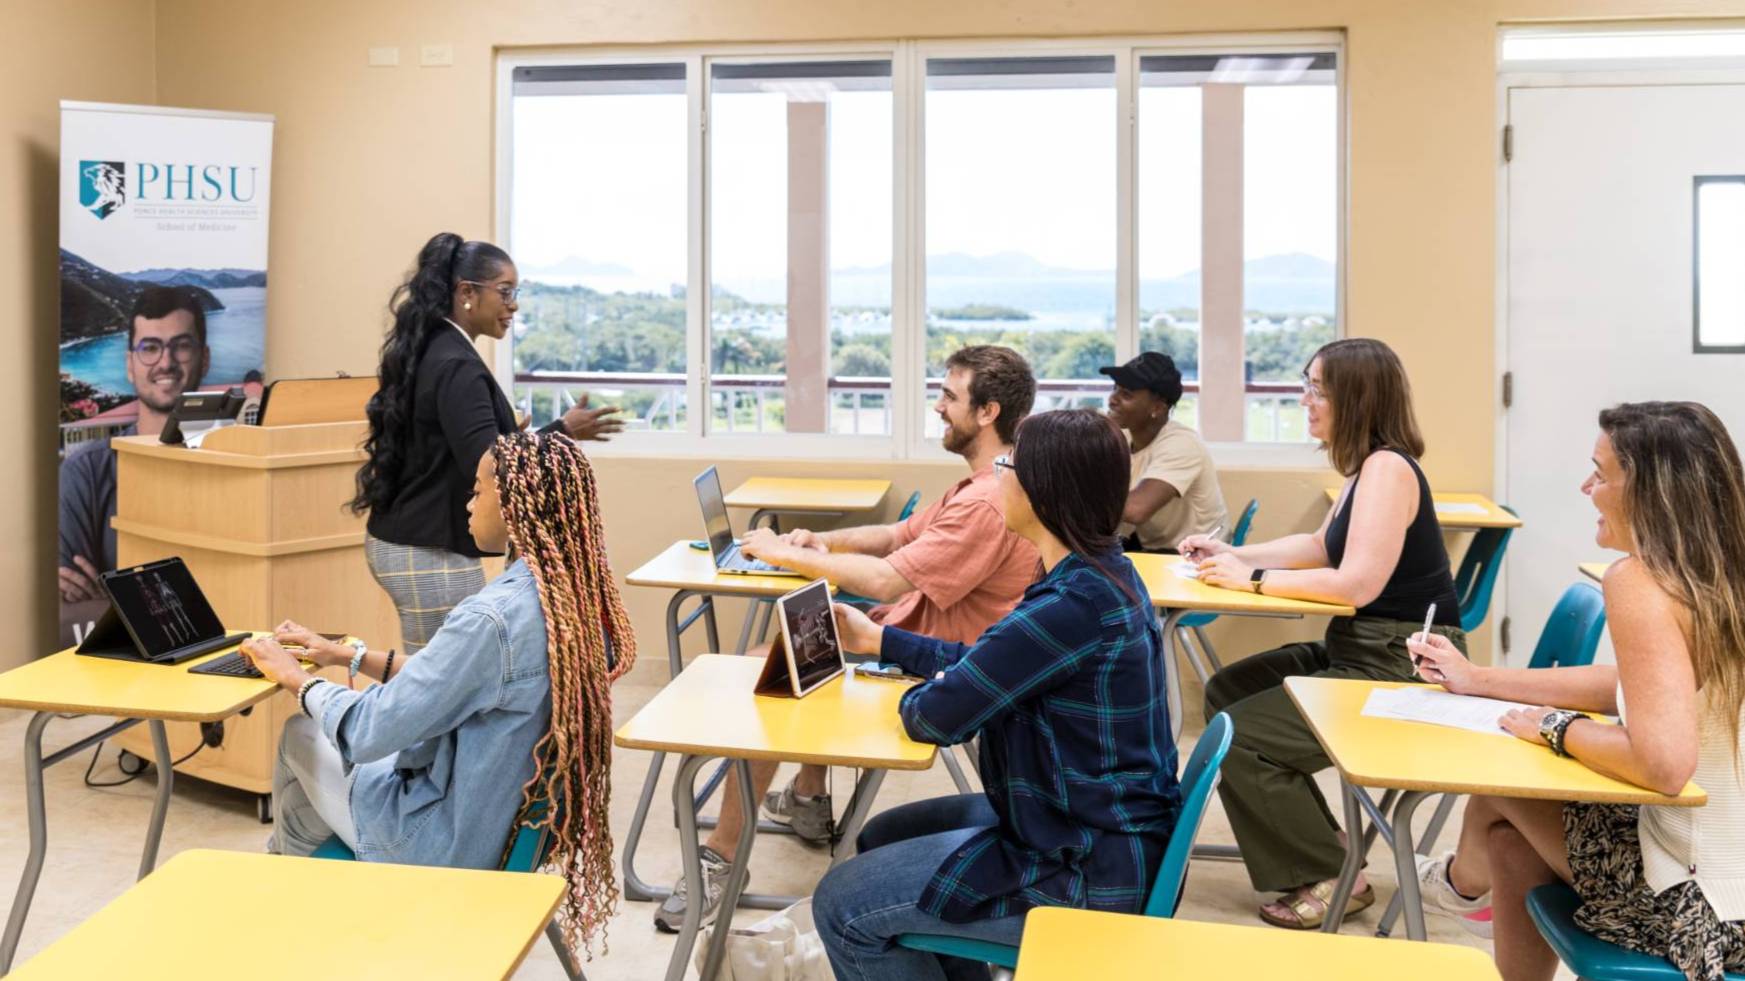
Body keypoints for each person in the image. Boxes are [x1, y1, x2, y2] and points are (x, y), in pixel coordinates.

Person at [652, 344, 1041, 932]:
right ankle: (808, 797)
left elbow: (889, 575)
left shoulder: (987, 502)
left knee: (770, 673)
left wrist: (787, 554)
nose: (938, 407)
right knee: (804, 643)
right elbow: (894, 534)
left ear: (987, 413)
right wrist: (823, 544)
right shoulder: (980, 484)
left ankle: (722, 859)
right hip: (902, 640)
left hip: (927, 666)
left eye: (948, 396)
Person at [812, 408, 1182, 981]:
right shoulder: (1097, 573)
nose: (998, 476)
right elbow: (997, 665)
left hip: (1084, 861)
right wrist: (883, 640)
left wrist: (932, 689)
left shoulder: (1071, 606)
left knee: (843, 903)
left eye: (1008, 465)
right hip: (1094, 822)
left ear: (1042, 490)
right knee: (885, 834)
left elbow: (933, 718)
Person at [242, 431, 635, 958]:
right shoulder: (576, 599)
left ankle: (295, 929)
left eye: (476, 490)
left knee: (299, 733)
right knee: (301, 815)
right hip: (514, 831)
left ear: (514, 501)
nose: (467, 503)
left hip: (446, 846)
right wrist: (343, 657)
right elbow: (455, 682)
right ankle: (307, 908)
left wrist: (297, 676)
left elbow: (368, 731)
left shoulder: (491, 619)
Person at [1408, 401, 1745, 981]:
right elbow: (1640, 686)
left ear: (1648, 490)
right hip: (1728, 886)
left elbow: (1664, 765)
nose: (1586, 486)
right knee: (1514, 843)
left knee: (1507, 771)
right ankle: (1459, 887)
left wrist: (1556, 728)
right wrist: (1479, 680)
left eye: (1601, 472)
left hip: (1703, 911)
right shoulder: (1719, 573)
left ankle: (1458, 888)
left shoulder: (1640, 580)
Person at [1180, 337, 1464, 929]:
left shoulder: (1388, 470)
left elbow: (1357, 584)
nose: (1305, 399)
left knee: (1248, 736)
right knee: (1229, 692)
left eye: (1317, 388)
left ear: (1355, 398)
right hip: (1363, 649)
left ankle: (1333, 872)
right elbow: (1317, 547)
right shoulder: (1369, 468)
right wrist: (1233, 551)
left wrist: (1252, 579)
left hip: (1398, 663)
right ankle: (1329, 845)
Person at [351, 232, 624, 652]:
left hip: (411, 540)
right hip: (428, 550)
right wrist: (562, 432)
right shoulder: (456, 363)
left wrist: (514, 432)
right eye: (505, 291)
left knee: (437, 678)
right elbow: (492, 465)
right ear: (466, 293)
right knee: (441, 686)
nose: (513, 304)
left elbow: (466, 446)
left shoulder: (436, 348)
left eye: (516, 292)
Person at [59, 286, 212, 606]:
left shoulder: (236, 467)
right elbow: (76, 604)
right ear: (130, 364)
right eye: (150, 347)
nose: (165, 362)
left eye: (181, 346)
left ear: (205, 358)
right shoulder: (86, 472)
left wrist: (117, 603)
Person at [1101, 351, 1228, 553]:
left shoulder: (1182, 444)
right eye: (1115, 389)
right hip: (1150, 542)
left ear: (1157, 408)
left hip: (1191, 553)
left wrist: (1073, 496)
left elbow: (1136, 510)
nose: (1112, 400)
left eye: (1126, 394)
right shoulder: (1123, 436)